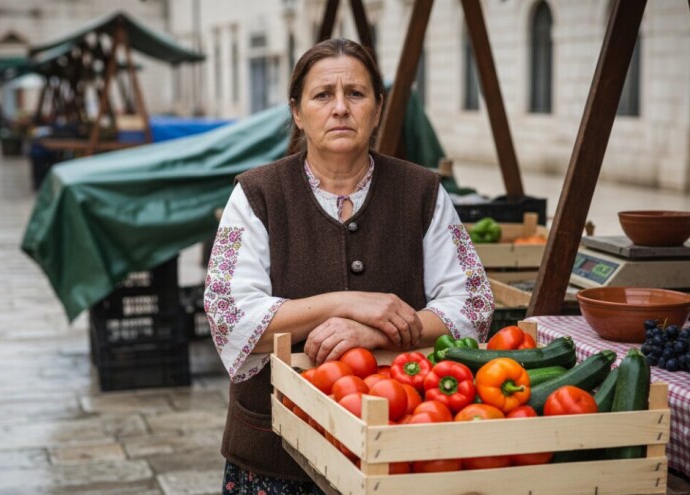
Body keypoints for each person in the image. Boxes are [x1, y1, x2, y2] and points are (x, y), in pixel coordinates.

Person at [204, 38, 495, 494]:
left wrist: (378, 332)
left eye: (355, 94)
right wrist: (347, 302)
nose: (340, 108)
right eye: (323, 95)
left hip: (395, 450)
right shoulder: (257, 194)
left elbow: (472, 306)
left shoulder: (422, 192)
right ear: (297, 113)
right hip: (275, 454)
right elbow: (230, 317)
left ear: (378, 109)